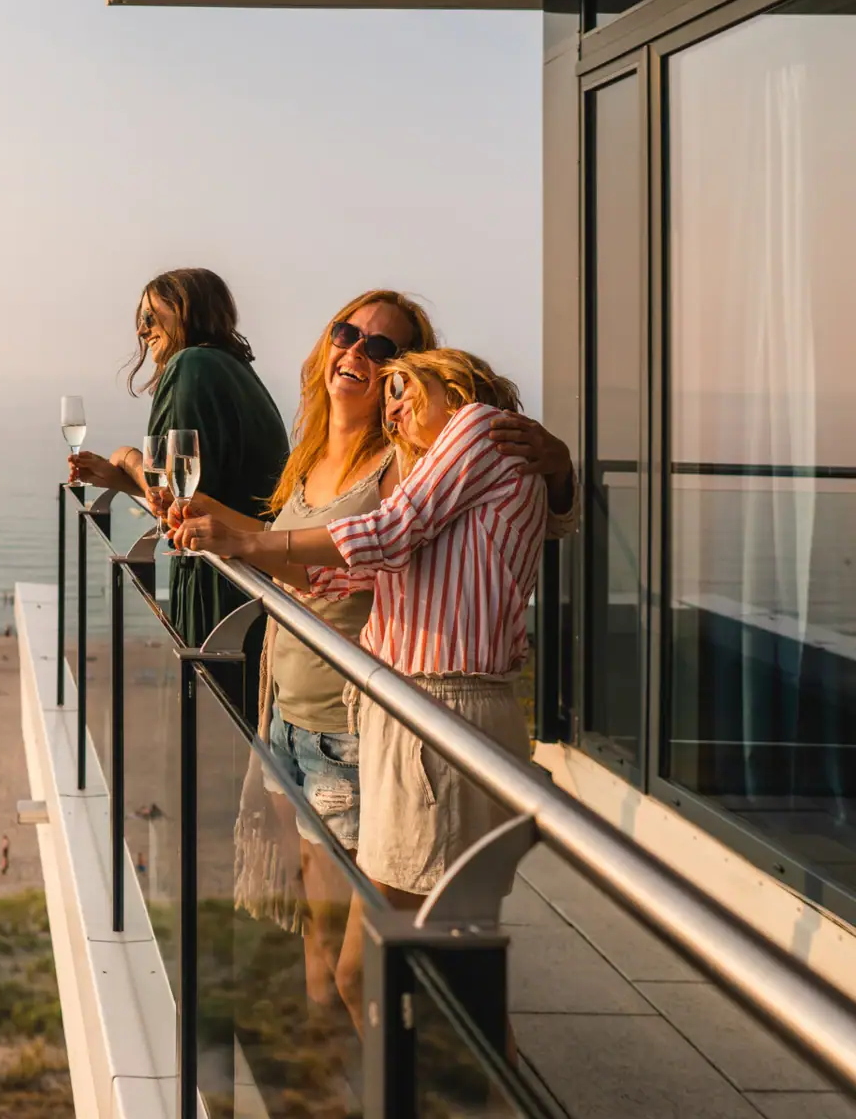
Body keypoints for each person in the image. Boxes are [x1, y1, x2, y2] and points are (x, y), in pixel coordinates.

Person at [175, 348, 563, 1043]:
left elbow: (385, 533)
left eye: (405, 384)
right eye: (387, 398)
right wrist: (227, 539)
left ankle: (435, 1095)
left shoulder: (478, 429)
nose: (393, 404)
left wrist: (248, 537)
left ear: (456, 382)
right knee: (454, 968)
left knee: (372, 970)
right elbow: (342, 577)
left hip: (441, 716)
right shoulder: (444, 478)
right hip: (409, 719)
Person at [70, 268, 289, 711]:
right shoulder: (234, 371)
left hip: (220, 588)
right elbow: (197, 491)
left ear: (189, 311)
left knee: (214, 723)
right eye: (140, 317)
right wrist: (120, 480)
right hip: (252, 585)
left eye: (152, 316)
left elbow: (175, 501)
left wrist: (129, 457)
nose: (142, 328)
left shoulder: (193, 365)